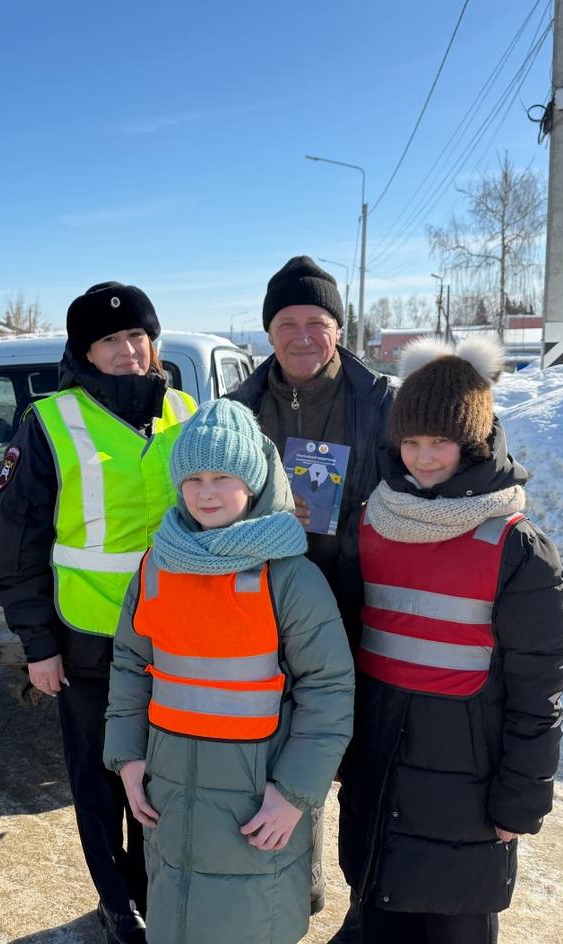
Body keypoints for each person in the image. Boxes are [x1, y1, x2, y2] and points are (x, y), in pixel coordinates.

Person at [336, 337, 563, 944]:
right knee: (380, 916)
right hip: (378, 768)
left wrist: (521, 798)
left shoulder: (516, 547)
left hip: (466, 789)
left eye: (439, 441)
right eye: (410, 442)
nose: (423, 458)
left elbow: (537, 691)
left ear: (472, 442)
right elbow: (344, 654)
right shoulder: (373, 523)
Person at [0, 282, 197, 944]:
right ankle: (117, 904)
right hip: (90, 643)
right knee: (100, 783)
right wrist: (38, 644)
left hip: (179, 641)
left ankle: (156, 889)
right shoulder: (50, 422)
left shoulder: (187, 411)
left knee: (165, 777)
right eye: (109, 340)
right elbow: (12, 543)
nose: (127, 349)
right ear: (84, 352)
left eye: (137, 336)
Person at [103, 399, 355, 944]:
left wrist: (294, 793)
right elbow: (131, 664)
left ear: (254, 481)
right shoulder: (155, 566)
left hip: (257, 810)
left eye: (223, 477)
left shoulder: (289, 577)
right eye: (193, 478)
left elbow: (328, 690)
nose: (207, 492)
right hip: (169, 799)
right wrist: (128, 758)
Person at [228, 254, 394, 932]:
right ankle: (298, 881)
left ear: (338, 330)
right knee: (285, 747)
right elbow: (208, 502)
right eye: (287, 323)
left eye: (316, 322)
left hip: (366, 605)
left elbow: (430, 474)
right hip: (269, 607)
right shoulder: (239, 410)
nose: (302, 336)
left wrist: (356, 523)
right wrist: (265, 518)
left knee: (364, 754)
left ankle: (369, 896)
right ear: (268, 332)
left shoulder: (381, 401)